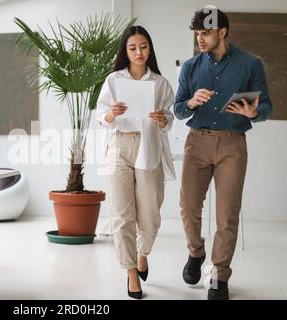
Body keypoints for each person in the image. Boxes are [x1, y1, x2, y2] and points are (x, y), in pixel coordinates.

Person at [174, 7, 272, 300]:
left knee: (227, 215)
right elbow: (178, 109)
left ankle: (219, 275)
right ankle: (196, 252)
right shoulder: (190, 67)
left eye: (205, 33)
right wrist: (191, 102)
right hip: (197, 142)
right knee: (188, 208)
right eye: (197, 34)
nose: (200, 39)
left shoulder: (250, 65)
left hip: (233, 144)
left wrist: (255, 112)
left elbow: (266, 106)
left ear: (222, 32)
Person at [96, 26, 176, 299]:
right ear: (125, 52)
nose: (139, 52)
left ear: (149, 49)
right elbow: (100, 116)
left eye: (143, 47)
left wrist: (163, 120)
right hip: (119, 145)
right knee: (121, 214)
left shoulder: (161, 83)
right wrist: (111, 114)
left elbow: (170, 119)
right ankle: (131, 272)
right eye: (133, 48)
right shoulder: (114, 80)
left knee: (150, 215)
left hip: (148, 146)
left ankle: (143, 253)